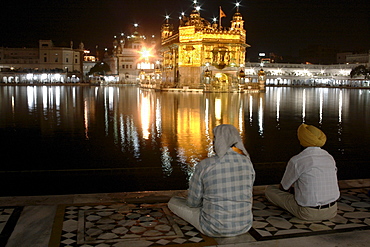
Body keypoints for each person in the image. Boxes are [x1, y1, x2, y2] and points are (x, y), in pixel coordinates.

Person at [168, 124, 255, 237]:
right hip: (244, 226)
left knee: (173, 202)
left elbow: (193, 203)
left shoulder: (205, 165)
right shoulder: (247, 163)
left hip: (212, 227)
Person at [265, 123, 340, 221]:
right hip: (332, 211)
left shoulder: (297, 160)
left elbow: (284, 187)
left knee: (270, 191)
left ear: (301, 140)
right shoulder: (329, 157)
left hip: (308, 213)